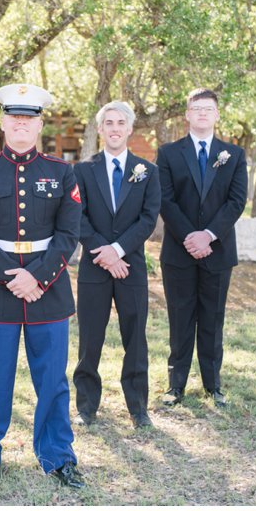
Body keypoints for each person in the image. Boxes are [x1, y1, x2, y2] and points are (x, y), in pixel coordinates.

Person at [0, 83, 84, 488]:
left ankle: (57, 456)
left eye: (28, 119)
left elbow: (69, 233)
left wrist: (38, 277)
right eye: (14, 118)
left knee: (52, 380)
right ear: (3, 122)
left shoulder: (62, 172)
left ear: (39, 124)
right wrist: (12, 278)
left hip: (48, 291)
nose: (20, 125)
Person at [156, 89, 247, 409]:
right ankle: (175, 385)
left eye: (209, 109)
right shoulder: (167, 153)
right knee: (180, 318)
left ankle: (213, 385)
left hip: (218, 251)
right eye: (197, 108)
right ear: (187, 115)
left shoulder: (233, 155)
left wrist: (208, 235)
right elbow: (164, 199)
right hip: (178, 252)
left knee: (213, 318)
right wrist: (190, 238)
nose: (203, 114)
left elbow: (236, 201)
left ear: (217, 115)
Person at [73, 102, 161, 428]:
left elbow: (148, 218)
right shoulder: (81, 171)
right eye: (108, 122)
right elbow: (76, 217)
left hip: (131, 267)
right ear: (100, 129)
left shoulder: (147, 172)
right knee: (89, 340)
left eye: (120, 122)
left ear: (129, 129)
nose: (113, 128)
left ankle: (138, 409)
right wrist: (105, 253)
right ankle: (85, 408)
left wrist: (119, 250)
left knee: (135, 340)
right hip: (94, 267)